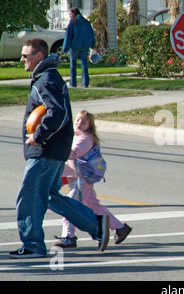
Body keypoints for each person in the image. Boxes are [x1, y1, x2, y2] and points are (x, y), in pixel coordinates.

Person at [10, 38, 109, 259]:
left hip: (46, 151)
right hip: (54, 150)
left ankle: (34, 245)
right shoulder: (48, 77)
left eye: (25, 56)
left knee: (30, 198)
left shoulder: (45, 80)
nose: (22, 59)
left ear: (39, 56)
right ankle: (96, 224)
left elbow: (58, 113)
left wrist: (39, 136)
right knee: (51, 196)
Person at [55, 110, 132, 248]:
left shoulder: (84, 138)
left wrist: (58, 143)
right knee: (95, 207)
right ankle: (120, 228)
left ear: (89, 126)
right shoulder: (78, 136)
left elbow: (72, 154)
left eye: (84, 122)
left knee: (70, 207)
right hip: (82, 179)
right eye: (77, 120)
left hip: (82, 180)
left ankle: (69, 237)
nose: (79, 123)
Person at [63, 8, 96, 88]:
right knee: (84, 64)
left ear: (73, 14)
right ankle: (85, 83)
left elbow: (68, 36)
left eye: (70, 14)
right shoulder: (86, 23)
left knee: (73, 64)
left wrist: (65, 47)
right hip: (85, 46)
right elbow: (91, 34)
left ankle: (73, 83)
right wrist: (93, 44)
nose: (69, 16)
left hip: (74, 46)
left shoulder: (73, 23)